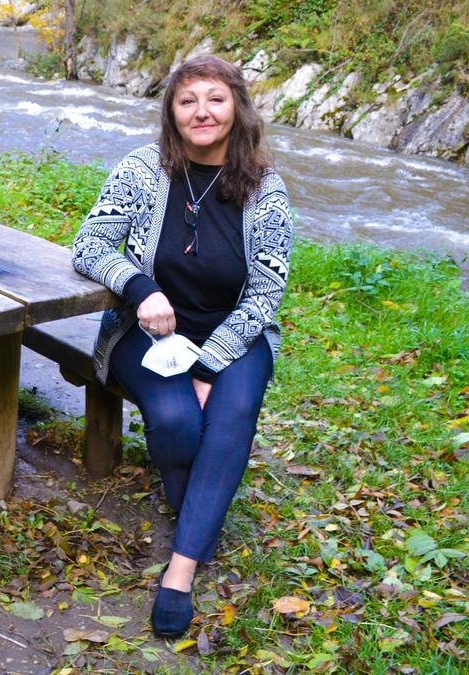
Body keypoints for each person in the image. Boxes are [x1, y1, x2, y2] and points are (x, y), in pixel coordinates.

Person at [71, 55, 293, 638]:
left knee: (230, 416)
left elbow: (267, 291)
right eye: (187, 99)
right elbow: (89, 244)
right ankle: (202, 506)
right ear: (171, 111)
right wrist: (140, 289)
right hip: (150, 333)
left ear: (237, 108)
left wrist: (210, 365)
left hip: (237, 333)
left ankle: (181, 568)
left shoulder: (265, 188)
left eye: (215, 99)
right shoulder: (144, 169)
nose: (202, 111)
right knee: (173, 420)